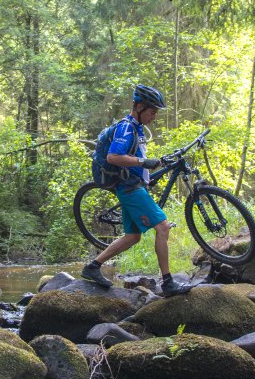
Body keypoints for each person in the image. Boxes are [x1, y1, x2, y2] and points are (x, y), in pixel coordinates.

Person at [81, 85, 194, 297]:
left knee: (132, 236)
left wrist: (149, 169)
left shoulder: (137, 128)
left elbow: (135, 157)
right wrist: (144, 162)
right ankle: (168, 283)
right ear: (140, 107)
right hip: (129, 188)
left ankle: (92, 267)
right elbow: (113, 157)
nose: (154, 116)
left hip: (133, 184)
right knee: (162, 227)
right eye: (152, 111)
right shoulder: (126, 128)